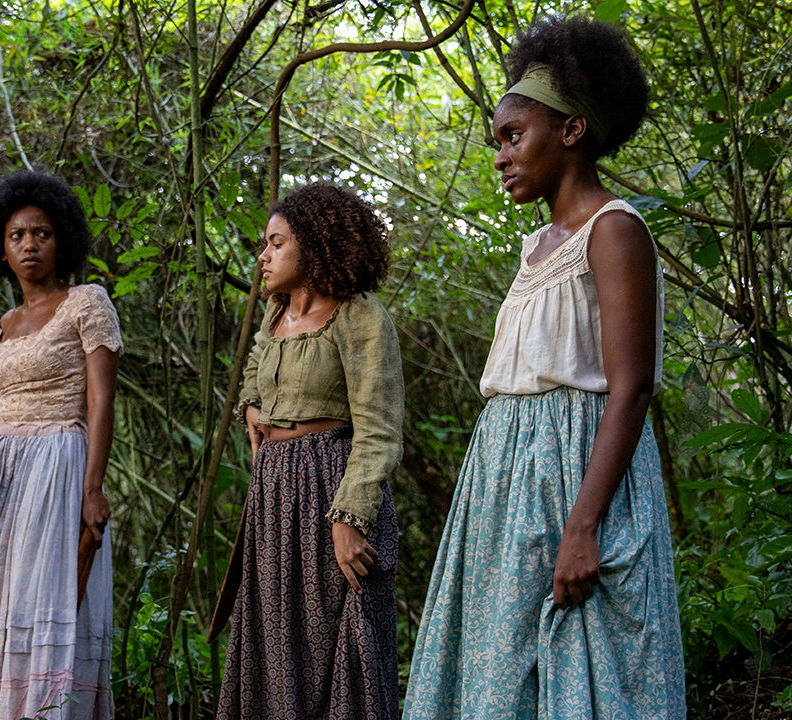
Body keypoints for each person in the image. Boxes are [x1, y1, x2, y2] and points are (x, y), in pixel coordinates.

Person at [402, 15, 685, 720]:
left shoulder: (613, 231)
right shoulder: (535, 249)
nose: (499, 155)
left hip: (574, 479)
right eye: (496, 141)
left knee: (587, 671)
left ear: (571, 130)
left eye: (512, 136)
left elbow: (632, 387)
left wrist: (583, 526)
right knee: (502, 680)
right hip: (504, 487)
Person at [210, 182, 405, 720]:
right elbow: (254, 368)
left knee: (342, 649)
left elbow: (380, 428)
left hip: (331, 485)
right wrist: (251, 405)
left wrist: (351, 516)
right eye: (264, 245)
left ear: (315, 246)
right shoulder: (275, 315)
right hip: (274, 495)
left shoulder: (359, 317)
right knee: (277, 647)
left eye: (276, 243)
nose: (263, 256)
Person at [0, 170, 119, 720]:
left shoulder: (86, 302)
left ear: (63, 241)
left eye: (42, 233)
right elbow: (8, 393)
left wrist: (92, 487)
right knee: (1, 603)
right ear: (1, 250)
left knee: (51, 601)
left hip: (59, 465)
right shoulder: (3, 325)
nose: (30, 244)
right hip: (5, 476)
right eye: (17, 235)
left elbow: (101, 401)